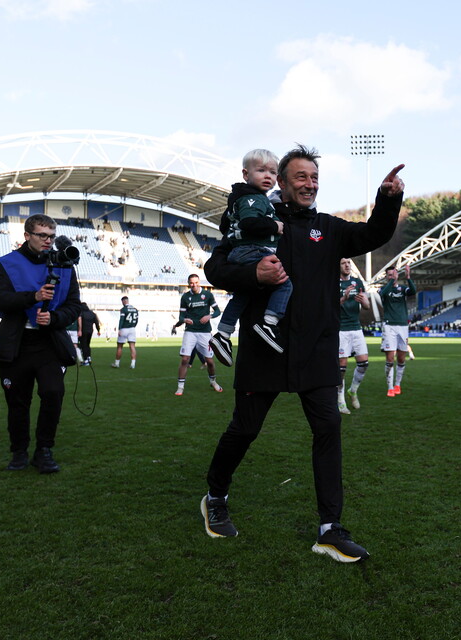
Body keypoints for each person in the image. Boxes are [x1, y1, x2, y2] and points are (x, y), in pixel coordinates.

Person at [200, 144, 405, 563]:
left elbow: (373, 235)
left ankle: (330, 529)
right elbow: (214, 268)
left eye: (314, 178)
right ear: (282, 182)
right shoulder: (254, 222)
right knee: (244, 430)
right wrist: (252, 273)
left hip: (316, 352)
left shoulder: (328, 229)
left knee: (328, 432)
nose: (309, 184)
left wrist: (388, 200)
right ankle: (215, 495)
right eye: (301, 178)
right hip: (265, 347)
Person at [0, 214, 82, 473]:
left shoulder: (65, 265)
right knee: (18, 402)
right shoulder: (5, 264)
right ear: (27, 236)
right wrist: (34, 296)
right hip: (17, 344)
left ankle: (44, 450)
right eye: (42, 235)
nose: (48, 241)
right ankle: (18, 452)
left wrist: (54, 317)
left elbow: (74, 306)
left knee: (53, 394)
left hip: (49, 343)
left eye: (51, 236)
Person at [210, 149, 293, 365]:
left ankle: (223, 334)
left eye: (273, 172)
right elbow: (249, 223)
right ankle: (269, 323)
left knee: (243, 295)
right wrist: (275, 225)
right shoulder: (252, 198)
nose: (268, 176)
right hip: (253, 250)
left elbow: (224, 225)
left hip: (242, 251)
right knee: (284, 284)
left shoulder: (243, 198)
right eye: (262, 170)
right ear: (246, 174)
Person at [175, 274, 223, 396]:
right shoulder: (185, 297)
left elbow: (217, 311)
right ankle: (180, 387)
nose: (194, 285)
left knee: (210, 361)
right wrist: (184, 320)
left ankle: (213, 381)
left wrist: (209, 316)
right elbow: (181, 316)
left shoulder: (207, 295)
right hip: (190, 331)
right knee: (185, 359)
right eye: (191, 283)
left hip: (205, 332)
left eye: (196, 282)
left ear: (199, 282)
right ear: (188, 283)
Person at [337, 257, 371, 414]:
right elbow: (329, 305)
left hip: (356, 328)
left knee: (364, 364)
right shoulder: (333, 283)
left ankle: (353, 390)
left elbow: (367, 306)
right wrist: (343, 298)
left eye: (349, 263)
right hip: (341, 329)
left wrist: (362, 301)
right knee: (341, 368)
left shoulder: (358, 282)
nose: (347, 265)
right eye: (344, 263)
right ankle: (341, 401)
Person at [380, 264, 416, 397]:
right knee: (390, 357)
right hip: (389, 326)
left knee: (401, 358)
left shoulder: (402, 289)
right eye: (389, 275)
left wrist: (408, 277)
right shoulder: (384, 289)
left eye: (394, 274)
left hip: (403, 326)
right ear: (387, 277)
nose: (392, 277)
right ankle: (389, 387)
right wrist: (391, 281)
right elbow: (382, 294)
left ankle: (397, 385)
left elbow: (413, 291)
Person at [111, 295, 139, 369]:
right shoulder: (135, 309)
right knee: (132, 346)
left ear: (123, 301)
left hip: (124, 328)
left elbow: (122, 319)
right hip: (132, 329)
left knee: (120, 346)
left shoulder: (123, 309)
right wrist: (133, 326)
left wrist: (119, 329)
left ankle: (117, 363)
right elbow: (136, 320)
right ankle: (133, 364)